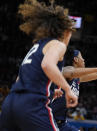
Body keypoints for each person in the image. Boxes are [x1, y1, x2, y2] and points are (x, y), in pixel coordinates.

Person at [0, 0, 78, 130]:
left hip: (10, 103)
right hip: (32, 105)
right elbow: (47, 65)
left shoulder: (37, 47)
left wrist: (50, 90)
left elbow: (20, 79)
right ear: (66, 32)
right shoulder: (57, 44)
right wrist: (67, 89)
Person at [50, 45, 97, 131]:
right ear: (76, 59)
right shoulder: (66, 70)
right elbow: (70, 72)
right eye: (81, 57)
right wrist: (96, 69)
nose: (84, 60)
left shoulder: (78, 78)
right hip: (48, 121)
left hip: (61, 123)